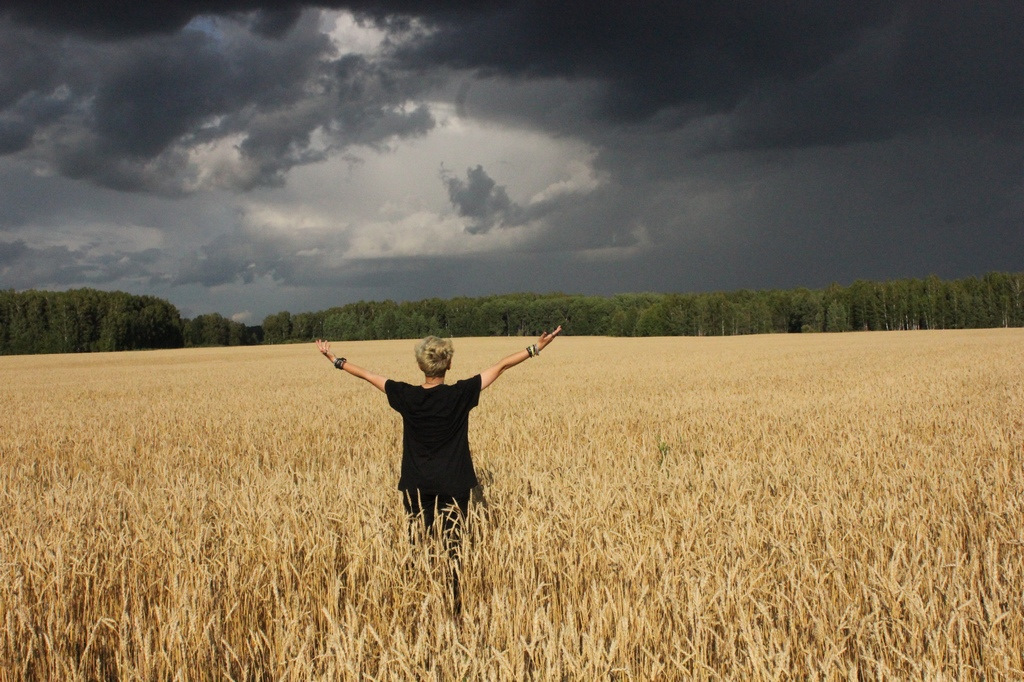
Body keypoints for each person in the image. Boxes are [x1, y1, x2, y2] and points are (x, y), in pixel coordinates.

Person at [315, 326, 562, 614]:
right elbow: (502, 365)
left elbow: (368, 375)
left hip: (416, 485)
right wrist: (536, 347)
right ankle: (454, 603)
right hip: (454, 484)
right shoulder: (461, 393)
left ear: (420, 366)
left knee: (420, 544)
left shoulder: (404, 394)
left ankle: (420, 602)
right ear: (449, 365)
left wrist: (334, 359)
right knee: (454, 546)